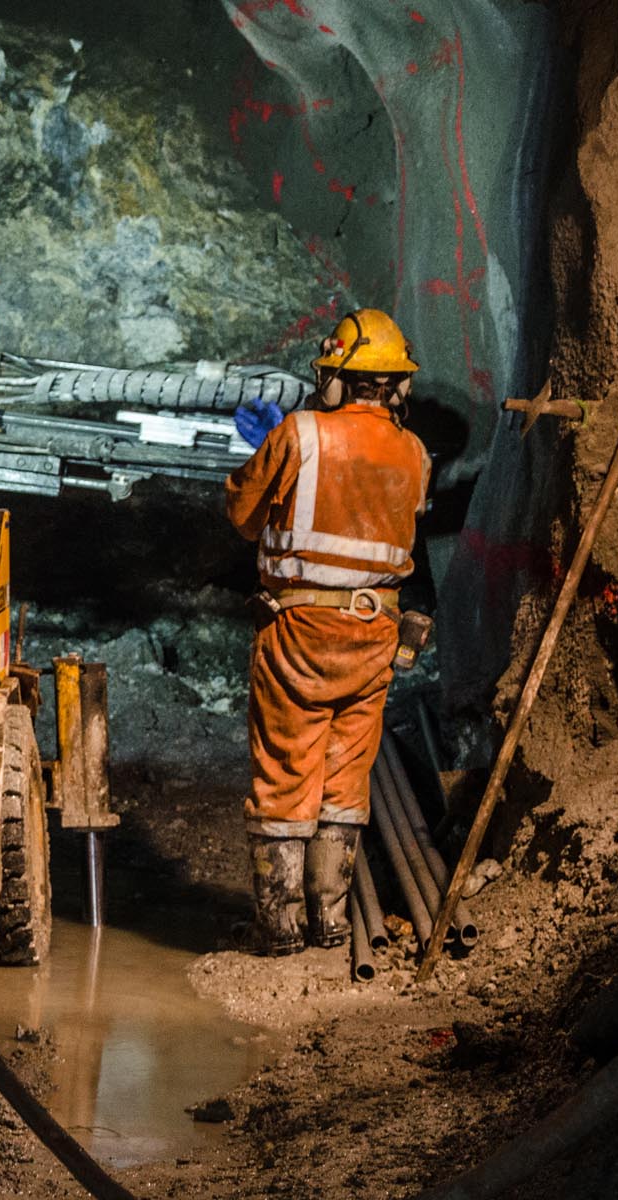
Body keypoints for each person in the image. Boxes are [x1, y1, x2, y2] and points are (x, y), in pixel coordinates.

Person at [223, 309, 432, 955]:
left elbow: (243, 516)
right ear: (396, 386)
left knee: (288, 764)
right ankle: (332, 920)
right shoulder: (415, 452)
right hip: (377, 634)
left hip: (302, 630)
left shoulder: (301, 434)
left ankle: (279, 925)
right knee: (347, 773)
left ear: (336, 378)